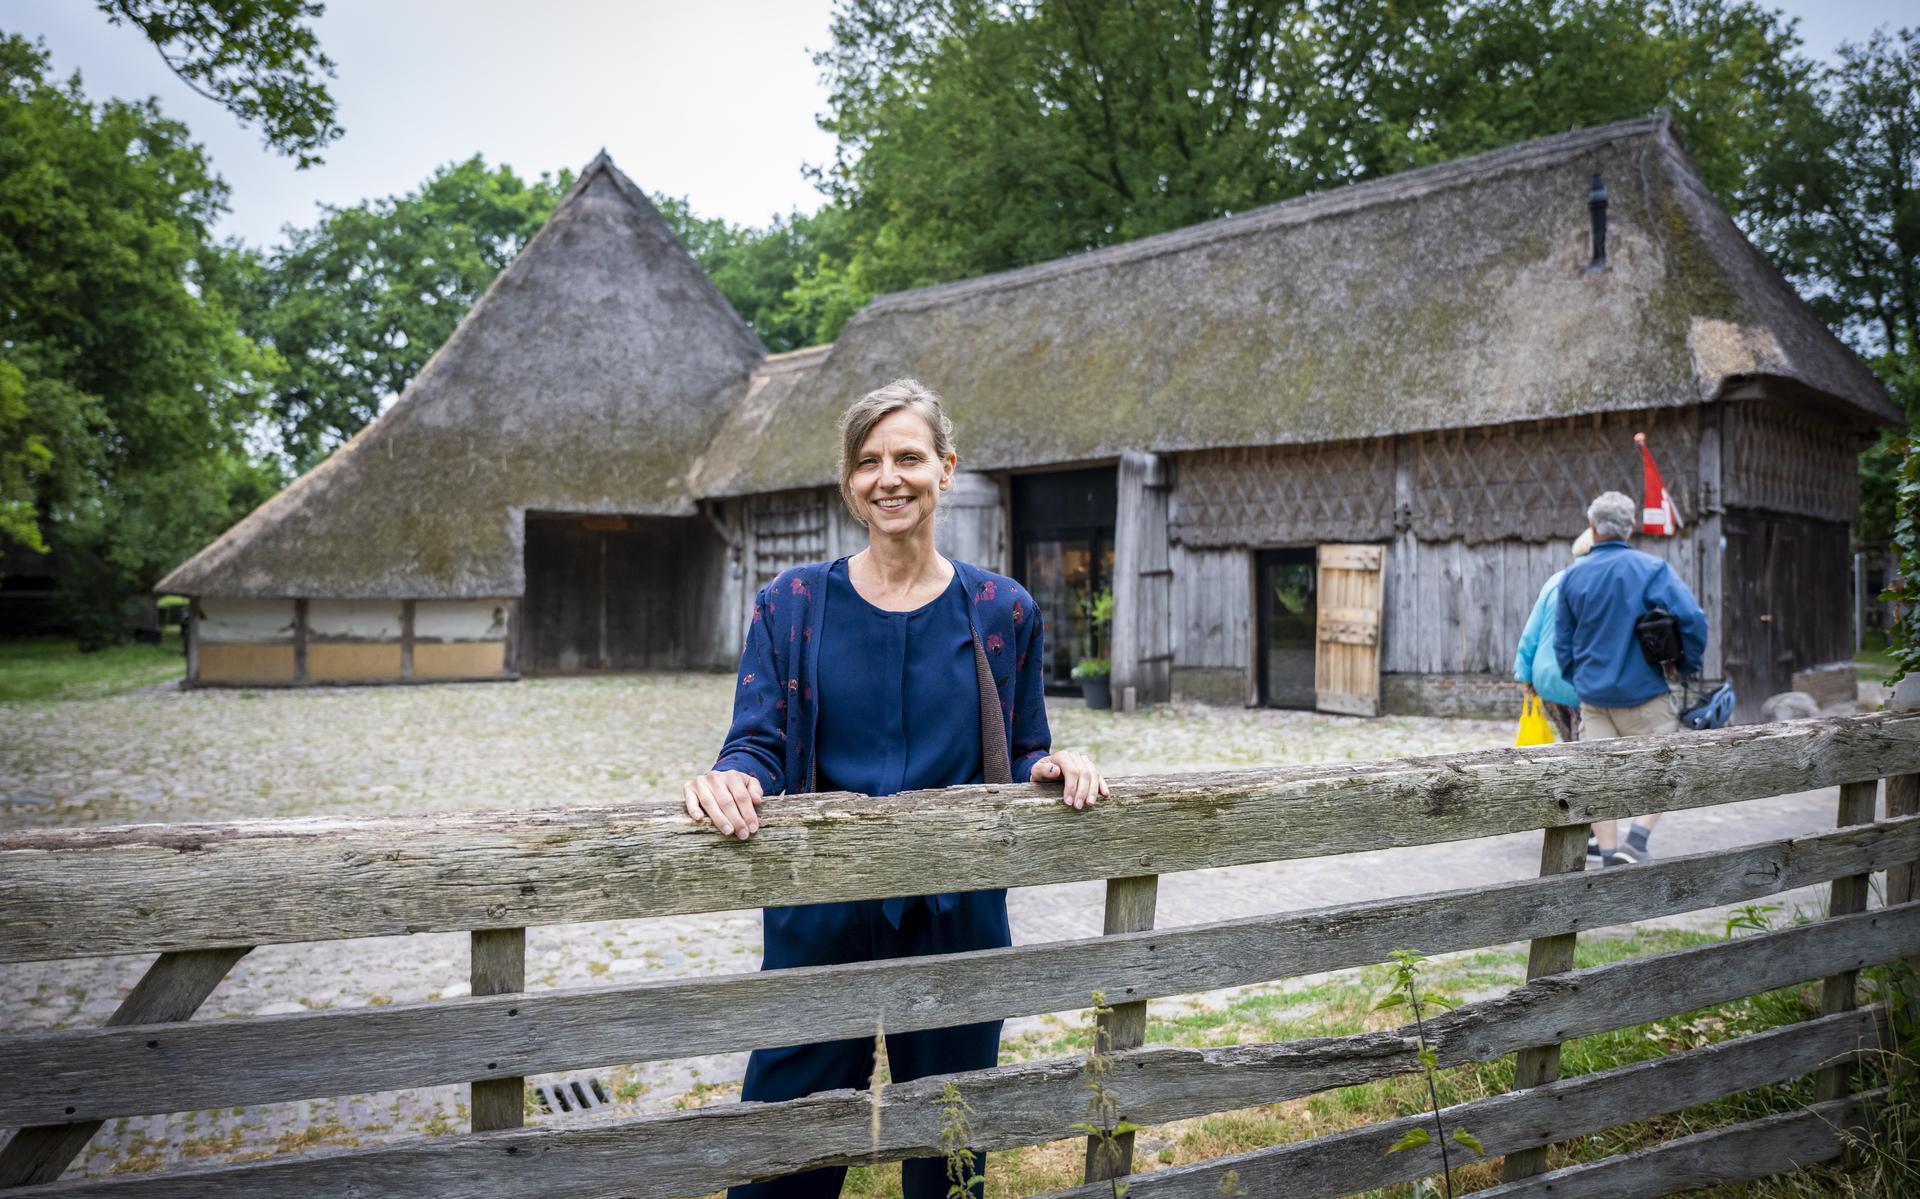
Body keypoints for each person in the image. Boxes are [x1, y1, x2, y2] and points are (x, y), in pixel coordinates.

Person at [682, 378, 1107, 1199]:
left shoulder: (1002, 609)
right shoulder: (794, 605)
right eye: (868, 461)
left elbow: (1020, 750)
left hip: (958, 919)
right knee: (783, 1155)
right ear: (849, 481)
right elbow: (758, 740)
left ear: (946, 469)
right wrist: (734, 773)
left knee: (949, 1155)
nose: (890, 477)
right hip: (817, 916)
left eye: (908, 457)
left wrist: (1052, 769)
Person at [1554, 490, 1707, 866]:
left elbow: (1562, 643)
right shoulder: (1651, 569)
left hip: (1593, 699)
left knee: (1598, 777)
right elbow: (1693, 619)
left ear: (1592, 527)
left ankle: (1608, 854)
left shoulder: (1572, 577)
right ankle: (1636, 841)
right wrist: (1687, 666)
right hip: (1643, 693)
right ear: (1631, 527)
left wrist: (1580, 679)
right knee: (1668, 765)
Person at [1512, 529, 1594, 743]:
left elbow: (1531, 634)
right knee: (1584, 743)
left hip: (1546, 679)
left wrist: (1524, 675)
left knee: (1570, 738)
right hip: (1577, 679)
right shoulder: (1596, 583)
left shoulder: (1554, 581)